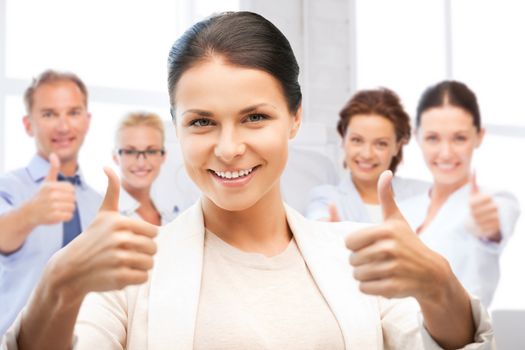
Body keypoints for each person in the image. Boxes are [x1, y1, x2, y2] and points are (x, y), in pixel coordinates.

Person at [3, 12, 493, 349]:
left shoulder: (354, 258)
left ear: (295, 118)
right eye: (201, 122)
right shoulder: (133, 272)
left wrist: (438, 284)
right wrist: (57, 284)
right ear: (175, 126)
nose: (229, 147)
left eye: (256, 117)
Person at [399, 80, 520, 307]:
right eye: (433, 138)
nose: (446, 153)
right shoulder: (405, 208)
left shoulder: (496, 201)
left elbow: (495, 229)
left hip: (460, 339)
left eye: (459, 138)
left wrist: (489, 230)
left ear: (479, 136)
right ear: (417, 136)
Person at [0, 70, 102, 336]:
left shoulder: (98, 204)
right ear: (28, 124)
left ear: (87, 120)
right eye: (49, 114)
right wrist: (30, 215)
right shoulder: (8, 188)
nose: (63, 126)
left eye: (73, 112)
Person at [305, 88, 429, 222]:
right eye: (357, 140)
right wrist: (324, 231)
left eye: (380, 144)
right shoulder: (326, 198)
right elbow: (317, 221)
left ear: (397, 147)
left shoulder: (424, 194)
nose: (367, 154)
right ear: (343, 140)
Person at [113, 112, 179, 224]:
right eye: (130, 151)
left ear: (163, 156)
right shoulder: (98, 210)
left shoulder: (171, 215)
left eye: (151, 151)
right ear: (115, 157)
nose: (141, 163)